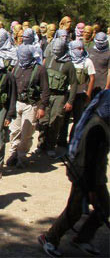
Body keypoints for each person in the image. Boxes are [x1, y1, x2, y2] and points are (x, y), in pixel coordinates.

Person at [38, 90, 110, 258]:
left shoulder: (100, 122)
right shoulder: (97, 127)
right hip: (83, 173)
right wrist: (91, 190)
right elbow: (90, 161)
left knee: (105, 208)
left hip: (94, 175)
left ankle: (83, 238)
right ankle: (49, 238)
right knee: (74, 211)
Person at [7, 44, 49, 168]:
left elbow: (45, 90)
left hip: (31, 105)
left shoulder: (40, 69)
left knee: (26, 134)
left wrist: (42, 107)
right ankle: (13, 153)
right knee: (14, 131)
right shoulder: (17, 66)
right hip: (17, 102)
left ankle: (22, 157)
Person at [36, 38, 77, 157]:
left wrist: (70, 101)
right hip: (46, 94)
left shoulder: (69, 65)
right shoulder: (48, 60)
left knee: (55, 121)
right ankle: (41, 144)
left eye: (58, 50)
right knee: (43, 120)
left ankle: (51, 146)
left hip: (60, 96)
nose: (56, 52)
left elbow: (73, 84)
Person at [89, 33, 110, 98]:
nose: (100, 44)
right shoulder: (89, 51)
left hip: (102, 87)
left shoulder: (108, 53)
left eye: (102, 42)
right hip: (89, 86)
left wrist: (107, 87)